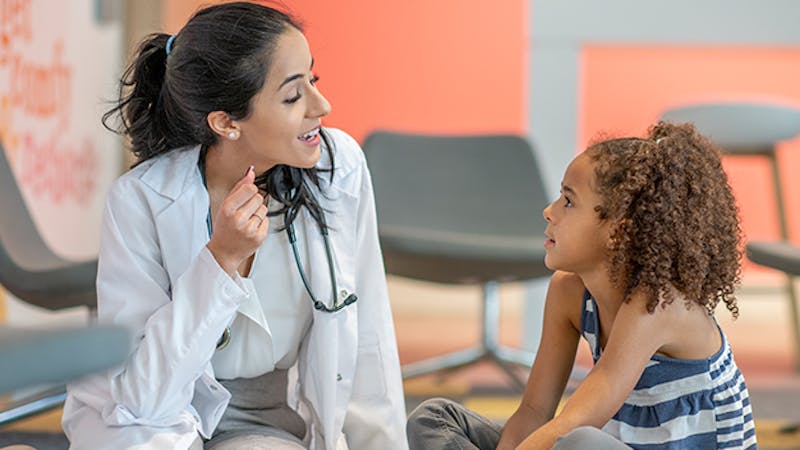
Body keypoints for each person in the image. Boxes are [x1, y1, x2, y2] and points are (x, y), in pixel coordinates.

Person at [62, 2, 407, 449]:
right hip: (147, 420)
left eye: (313, 80)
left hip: (259, 423)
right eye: (292, 95)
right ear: (226, 122)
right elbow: (142, 398)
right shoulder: (140, 200)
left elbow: (369, 343)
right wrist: (220, 260)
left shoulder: (337, 169)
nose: (322, 105)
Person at [407, 121, 757, 449]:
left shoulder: (656, 303)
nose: (549, 210)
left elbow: (577, 419)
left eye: (568, 200)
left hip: (593, 439)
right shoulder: (567, 292)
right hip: (613, 440)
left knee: (579, 442)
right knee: (434, 418)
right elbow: (534, 411)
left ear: (621, 229)